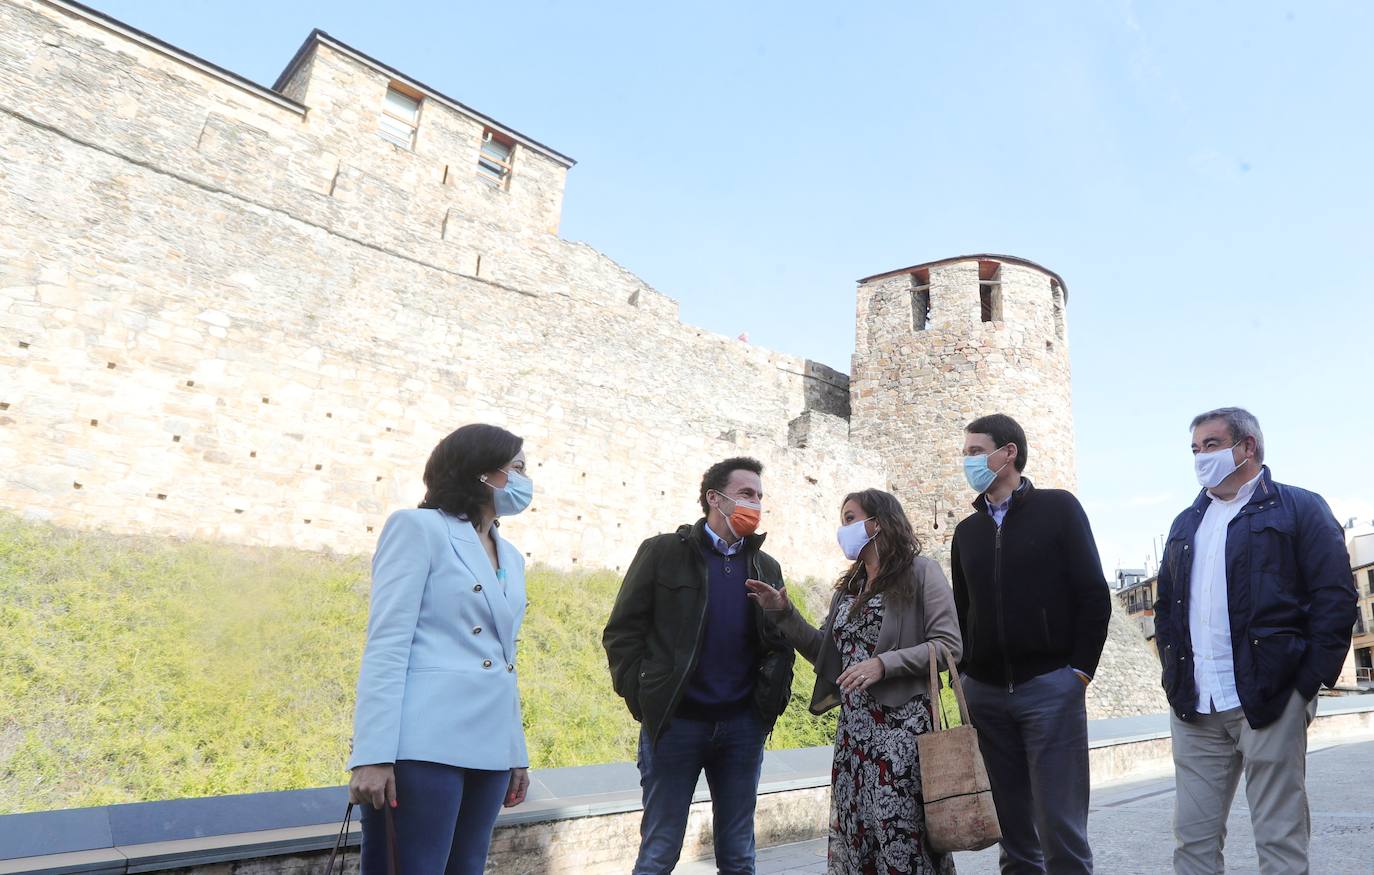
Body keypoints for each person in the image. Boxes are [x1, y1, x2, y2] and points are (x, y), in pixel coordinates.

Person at [1153, 408, 1357, 874]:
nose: (1201, 456)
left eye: (1211, 445)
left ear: (1247, 447)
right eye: (1195, 449)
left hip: (1270, 698)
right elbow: (1167, 608)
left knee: (1279, 837)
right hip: (1194, 705)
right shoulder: (1186, 523)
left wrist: (1305, 684)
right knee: (1192, 841)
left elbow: (1335, 597)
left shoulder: (1299, 508)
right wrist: (1173, 675)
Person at [346, 424, 535, 874]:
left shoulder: (511, 556)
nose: (527, 480)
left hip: (489, 743)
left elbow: (506, 659)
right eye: (518, 468)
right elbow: (388, 643)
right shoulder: (418, 528)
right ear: (481, 472)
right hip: (423, 742)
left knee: (467, 867)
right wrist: (372, 754)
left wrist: (516, 752)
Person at [747, 488, 961, 874]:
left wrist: (884, 664)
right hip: (853, 737)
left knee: (901, 839)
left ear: (876, 524)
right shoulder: (849, 588)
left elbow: (948, 647)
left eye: (850, 518)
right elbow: (827, 655)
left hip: (903, 735)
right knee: (856, 836)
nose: (842, 528)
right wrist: (783, 612)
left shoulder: (921, 572)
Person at [602, 456, 795, 875]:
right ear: (714, 498)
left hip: (743, 727)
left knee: (739, 854)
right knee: (660, 850)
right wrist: (646, 700)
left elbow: (779, 645)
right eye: (746, 494)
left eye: (760, 496)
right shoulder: (663, 553)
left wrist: (767, 709)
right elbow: (622, 633)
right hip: (676, 724)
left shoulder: (766, 565)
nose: (756, 504)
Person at [950, 413, 1110, 875]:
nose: (969, 461)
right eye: (966, 454)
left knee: (1060, 829)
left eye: (976, 451)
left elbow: (1093, 595)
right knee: (1014, 834)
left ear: (1008, 453)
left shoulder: (1058, 508)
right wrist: (964, 677)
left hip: (1049, 689)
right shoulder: (967, 532)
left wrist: (1079, 672)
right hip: (987, 695)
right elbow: (963, 614)